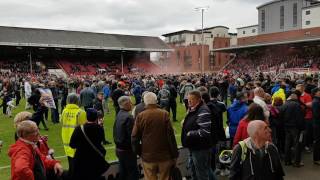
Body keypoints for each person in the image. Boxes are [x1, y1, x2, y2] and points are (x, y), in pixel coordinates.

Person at [132, 92, 178, 180]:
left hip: (149, 157)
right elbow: (171, 137)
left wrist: (139, 152)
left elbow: (134, 138)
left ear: (145, 102)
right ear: (156, 101)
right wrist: (174, 154)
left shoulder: (141, 116)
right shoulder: (164, 114)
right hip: (163, 156)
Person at [181, 90, 215, 180]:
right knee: (196, 169)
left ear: (198, 100)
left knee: (202, 172)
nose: (189, 102)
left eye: (191, 100)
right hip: (194, 146)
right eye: (188, 100)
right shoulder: (194, 108)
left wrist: (190, 133)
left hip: (201, 147)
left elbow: (205, 131)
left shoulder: (203, 110)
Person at [69, 108, 108, 180]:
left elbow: (72, 144)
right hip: (95, 160)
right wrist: (100, 125)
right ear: (96, 117)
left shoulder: (79, 129)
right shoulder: (99, 129)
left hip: (81, 160)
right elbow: (100, 140)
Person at [61, 93, 87, 177]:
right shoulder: (81, 112)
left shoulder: (64, 111)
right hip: (78, 143)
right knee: (79, 168)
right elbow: (85, 128)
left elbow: (62, 122)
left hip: (66, 140)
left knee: (71, 165)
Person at [113, 96, 139, 180]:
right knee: (132, 173)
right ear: (126, 104)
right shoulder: (128, 117)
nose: (131, 105)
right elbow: (132, 135)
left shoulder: (119, 114)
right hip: (127, 150)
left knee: (123, 172)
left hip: (119, 148)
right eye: (130, 103)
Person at [278, 91, 305, 167]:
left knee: (288, 143)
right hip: (295, 127)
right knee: (297, 144)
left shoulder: (284, 104)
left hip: (287, 127)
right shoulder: (296, 105)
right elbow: (299, 118)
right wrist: (302, 127)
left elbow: (281, 116)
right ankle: (297, 162)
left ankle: (287, 161)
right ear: (295, 98)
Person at [296, 84, 313, 152]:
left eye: (298, 90)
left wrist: (302, 105)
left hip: (307, 117)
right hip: (299, 117)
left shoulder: (307, 95)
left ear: (303, 89)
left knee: (306, 132)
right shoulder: (296, 95)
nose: (297, 91)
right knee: (299, 133)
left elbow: (310, 105)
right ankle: (300, 145)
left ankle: (306, 145)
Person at [312, 87, 320, 165]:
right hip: (317, 124)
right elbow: (316, 114)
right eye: (319, 91)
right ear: (316, 93)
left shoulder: (317, 101)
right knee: (317, 141)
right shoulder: (316, 102)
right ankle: (316, 159)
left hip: (317, 123)